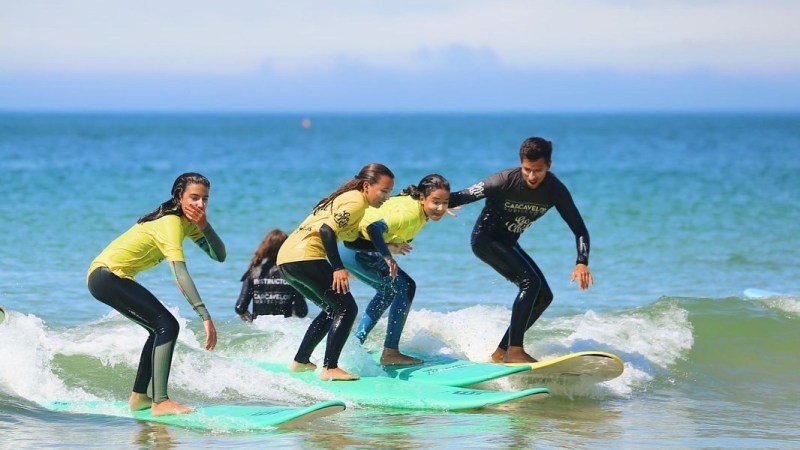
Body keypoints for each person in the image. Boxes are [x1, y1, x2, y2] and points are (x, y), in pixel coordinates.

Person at [86, 172, 225, 415]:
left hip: (111, 277)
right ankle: (160, 402)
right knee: (167, 326)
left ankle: (140, 398)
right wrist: (204, 315)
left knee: (158, 328)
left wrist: (204, 226)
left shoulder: (187, 225)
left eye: (205, 199)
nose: (200, 205)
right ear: (179, 197)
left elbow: (219, 255)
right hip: (106, 276)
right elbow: (179, 272)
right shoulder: (170, 223)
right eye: (194, 198)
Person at [448, 137, 593, 363]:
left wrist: (581, 261)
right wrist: (429, 200)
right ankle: (515, 351)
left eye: (538, 170)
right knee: (530, 284)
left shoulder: (555, 190)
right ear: (521, 164)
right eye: (527, 170)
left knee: (544, 296)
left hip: (508, 243)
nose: (532, 176)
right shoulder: (502, 181)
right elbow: (461, 196)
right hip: (485, 240)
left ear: (549, 165)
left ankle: (500, 352)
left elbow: (580, 229)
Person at [277, 163, 395, 381]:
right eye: (384, 191)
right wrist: (338, 268)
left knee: (332, 309)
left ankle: (301, 361)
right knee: (347, 309)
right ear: (368, 186)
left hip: (286, 260)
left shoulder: (349, 202)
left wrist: (387, 250)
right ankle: (330, 367)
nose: (387, 197)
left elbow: (352, 242)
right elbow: (326, 230)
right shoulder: (356, 201)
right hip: (306, 256)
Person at [340, 174, 451, 366]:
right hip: (357, 250)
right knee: (406, 287)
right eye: (436, 202)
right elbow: (374, 228)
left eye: (446, 203)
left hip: (345, 249)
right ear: (422, 198)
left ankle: (355, 344)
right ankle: (390, 352)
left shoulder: (412, 199)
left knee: (387, 291)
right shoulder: (409, 216)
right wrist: (387, 254)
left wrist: (443, 203)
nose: (441, 208)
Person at [235, 228, 308, 321]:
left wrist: (252, 323)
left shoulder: (253, 273)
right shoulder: (291, 275)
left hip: (260, 328)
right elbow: (302, 311)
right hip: (284, 329)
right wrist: (288, 309)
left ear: (265, 248)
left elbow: (240, 308)